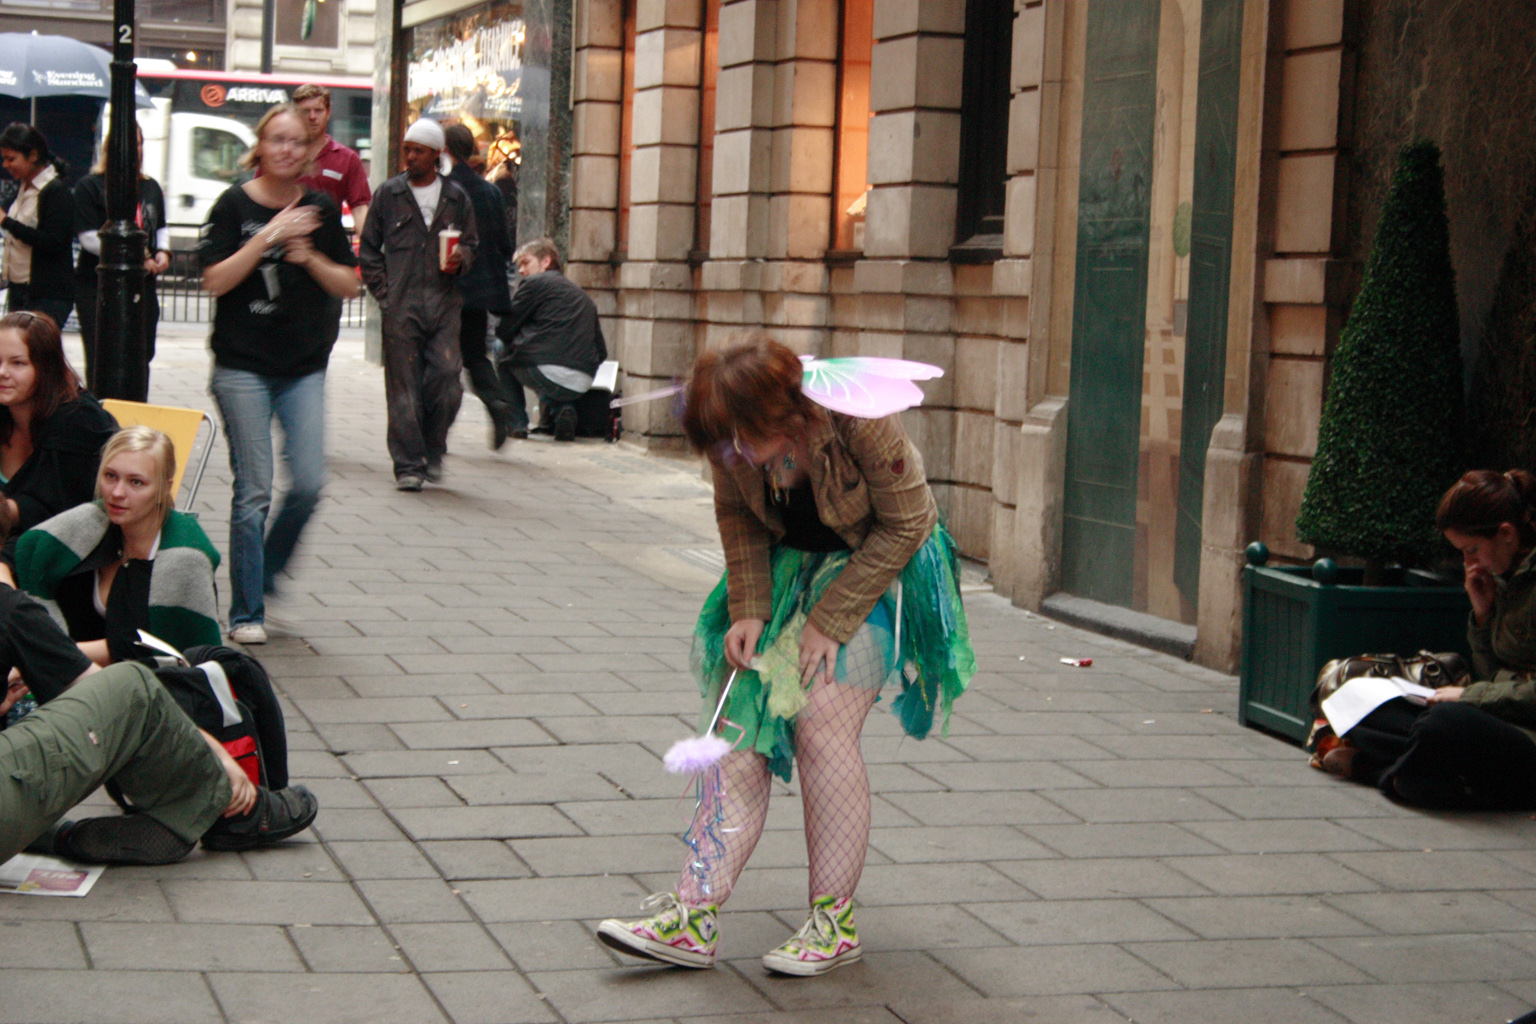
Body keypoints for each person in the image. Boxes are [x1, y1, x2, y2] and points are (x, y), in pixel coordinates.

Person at [597, 336, 974, 976]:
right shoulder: (726, 426)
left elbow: (910, 522)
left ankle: (834, 921)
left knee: (822, 724)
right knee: (738, 729)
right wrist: (749, 605)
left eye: (745, 438)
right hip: (786, 568)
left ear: (787, 415)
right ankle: (694, 916)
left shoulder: (857, 417)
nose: (734, 453)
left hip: (875, 567)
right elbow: (736, 516)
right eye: (725, 443)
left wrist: (830, 622)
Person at [200, 104, 359, 645]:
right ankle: (247, 611)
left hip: (302, 368)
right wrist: (266, 237)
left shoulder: (319, 208)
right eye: (278, 140)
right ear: (260, 148)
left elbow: (349, 285)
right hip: (242, 366)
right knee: (254, 491)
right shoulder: (231, 205)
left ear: (311, 150)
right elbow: (215, 281)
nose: (288, 150)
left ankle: (265, 569)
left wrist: (308, 255)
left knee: (311, 482)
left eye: (298, 142)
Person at [1323, 469, 1536, 809]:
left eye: (1472, 550)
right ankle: (1428, 774)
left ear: (1507, 534)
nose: (1469, 564)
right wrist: (1481, 616)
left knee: (1442, 724)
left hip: (1524, 738)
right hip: (1493, 720)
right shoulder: (1505, 578)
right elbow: (1493, 672)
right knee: (1360, 701)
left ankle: (1377, 770)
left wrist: (1469, 696)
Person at [15, 426, 220, 666]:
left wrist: (52, 652)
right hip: (80, 672)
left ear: (165, 488)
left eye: (136, 482)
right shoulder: (92, 520)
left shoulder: (184, 557)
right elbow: (28, 546)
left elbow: (157, 646)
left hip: (155, 686)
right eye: (110, 476)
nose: (117, 493)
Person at [358, 118, 478, 491]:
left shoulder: (456, 198)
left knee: (447, 380)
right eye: (407, 149)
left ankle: (433, 445)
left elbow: (472, 243)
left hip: (444, 303)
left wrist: (463, 259)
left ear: (436, 155)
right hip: (402, 305)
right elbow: (368, 248)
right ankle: (409, 464)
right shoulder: (389, 195)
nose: (410, 156)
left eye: (418, 151)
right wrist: (385, 293)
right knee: (403, 387)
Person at [0, 311, 118, 558]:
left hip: (61, 557)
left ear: (45, 367)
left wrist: (7, 511)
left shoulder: (79, 422)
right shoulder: (4, 412)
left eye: (18, 363)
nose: (3, 372)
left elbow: (79, 515)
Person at [73, 125, 171, 391]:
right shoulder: (90, 186)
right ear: (109, 148)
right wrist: (137, 258)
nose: (135, 150)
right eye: (128, 143)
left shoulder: (149, 186)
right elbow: (89, 238)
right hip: (98, 285)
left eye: (139, 143)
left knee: (141, 354)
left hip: (142, 285)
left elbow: (160, 225)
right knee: (101, 355)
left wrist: (163, 252)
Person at [442, 123, 518, 449]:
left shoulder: (441, 188)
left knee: (439, 361)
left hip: (444, 287)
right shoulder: (489, 191)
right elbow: (505, 243)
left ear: (443, 151)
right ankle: (497, 403)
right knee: (474, 354)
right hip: (478, 293)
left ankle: (435, 435)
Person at [495, 238, 606, 442]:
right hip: (583, 381)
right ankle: (563, 409)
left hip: (546, 371)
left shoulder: (534, 284)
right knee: (542, 366)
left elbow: (504, 329)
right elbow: (602, 351)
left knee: (500, 348)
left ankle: (516, 423)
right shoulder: (583, 297)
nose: (521, 270)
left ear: (545, 262)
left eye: (525, 262)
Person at [0, 124, 74, 327]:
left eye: (11, 158)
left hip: (45, 295)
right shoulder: (25, 186)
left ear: (32, 156)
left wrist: (6, 222)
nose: (6, 165)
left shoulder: (55, 191)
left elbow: (52, 241)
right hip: (20, 291)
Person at [289, 84, 371, 244]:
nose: (312, 116)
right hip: (285, 247)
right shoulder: (283, 154)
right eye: (305, 111)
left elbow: (360, 209)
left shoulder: (347, 159)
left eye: (318, 110)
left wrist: (371, 251)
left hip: (329, 249)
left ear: (328, 112)